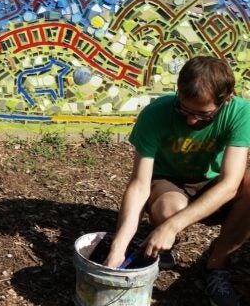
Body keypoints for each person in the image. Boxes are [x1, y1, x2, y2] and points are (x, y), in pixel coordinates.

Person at [105, 55, 250, 306]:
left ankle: (216, 266)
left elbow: (229, 184)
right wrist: (119, 246)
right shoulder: (155, 114)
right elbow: (139, 184)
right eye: (184, 109)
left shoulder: (240, 113)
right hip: (168, 183)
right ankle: (163, 247)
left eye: (203, 115)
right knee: (170, 209)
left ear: (226, 100)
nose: (192, 121)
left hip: (211, 183)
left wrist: (171, 227)